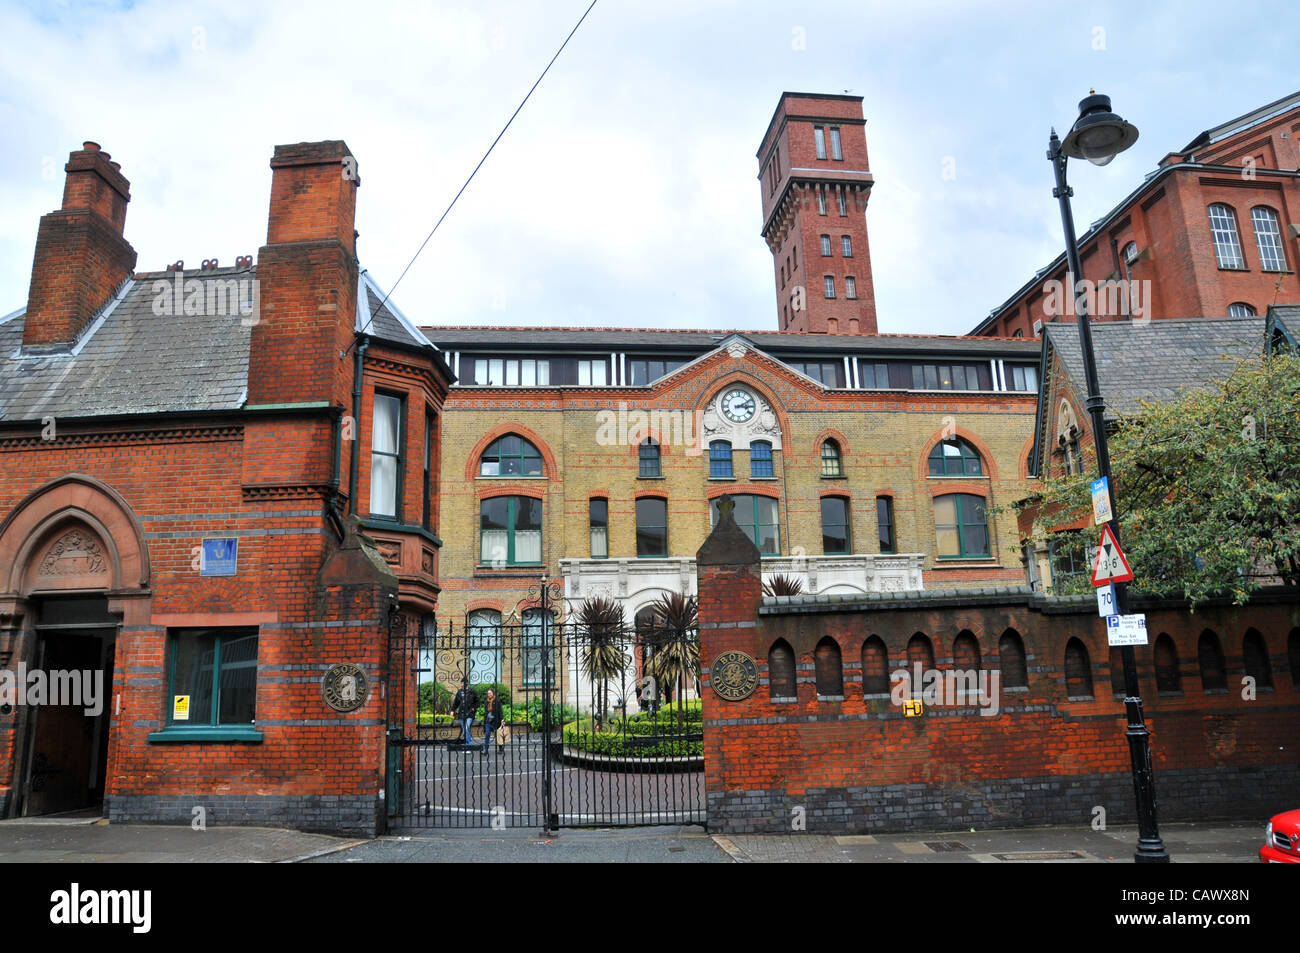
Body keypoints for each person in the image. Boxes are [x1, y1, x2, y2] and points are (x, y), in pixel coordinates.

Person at [452, 677, 478, 747]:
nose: (461, 684)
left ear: (466, 683)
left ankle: (468, 746)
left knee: (466, 728)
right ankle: (467, 742)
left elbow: (477, 702)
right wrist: (452, 710)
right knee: (465, 730)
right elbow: (456, 702)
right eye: (461, 683)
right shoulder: (459, 692)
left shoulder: (472, 691)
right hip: (461, 714)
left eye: (462, 683)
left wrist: (473, 708)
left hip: (469, 714)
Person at [482, 687, 503, 755]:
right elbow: (486, 712)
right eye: (488, 693)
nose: (489, 695)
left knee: (497, 735)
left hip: (495, 721)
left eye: (490, 693)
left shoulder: (497, 701)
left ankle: (500, 748)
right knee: (487, 734)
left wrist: (502, 719)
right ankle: (486, 750)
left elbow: (500, 711)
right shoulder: (486, 702)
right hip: (488, 721)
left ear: (493, 693)